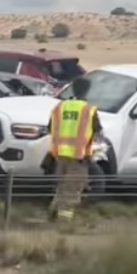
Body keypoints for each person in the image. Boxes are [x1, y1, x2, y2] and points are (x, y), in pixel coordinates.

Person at [47, 76, 102, 221]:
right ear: (88, 91)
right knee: (71, 192)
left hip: (59, 156)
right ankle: (63, 225)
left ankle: (51, 216)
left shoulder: (60, 107)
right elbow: (97, 132)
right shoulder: (89, 110)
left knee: (61, 188)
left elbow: (50, 129)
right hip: (78, 157)